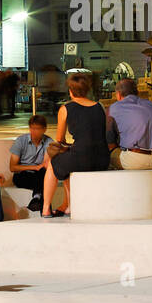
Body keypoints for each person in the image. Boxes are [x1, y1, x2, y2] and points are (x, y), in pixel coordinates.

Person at [41, 71, 110, 218]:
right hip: (102, 158)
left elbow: (59, 139)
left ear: (71, 91)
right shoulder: (100, 107)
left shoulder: (66, 109)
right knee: (66, 161)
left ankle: (46, 207)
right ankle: (68, 206)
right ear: (87, 90)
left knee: (55, 163)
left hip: (82, 158)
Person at [106, 77, 152, 170]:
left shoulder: (113, 109)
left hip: (135, 161)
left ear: (118, 95)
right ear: (137, 93)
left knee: (110, 152)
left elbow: (110, 141)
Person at [8, 114, 53, 213]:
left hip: (40, 174)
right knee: (41, 179)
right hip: (22, 174)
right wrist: (34, 167)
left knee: (43, 174)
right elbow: (12, 167)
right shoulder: (21, 141)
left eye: (38, 128)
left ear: (44, 129)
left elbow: (45, 164)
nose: (34, 131)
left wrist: (39, 168)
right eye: (32, 128)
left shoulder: (49, 142)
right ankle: (44, 206)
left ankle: (37, 199)